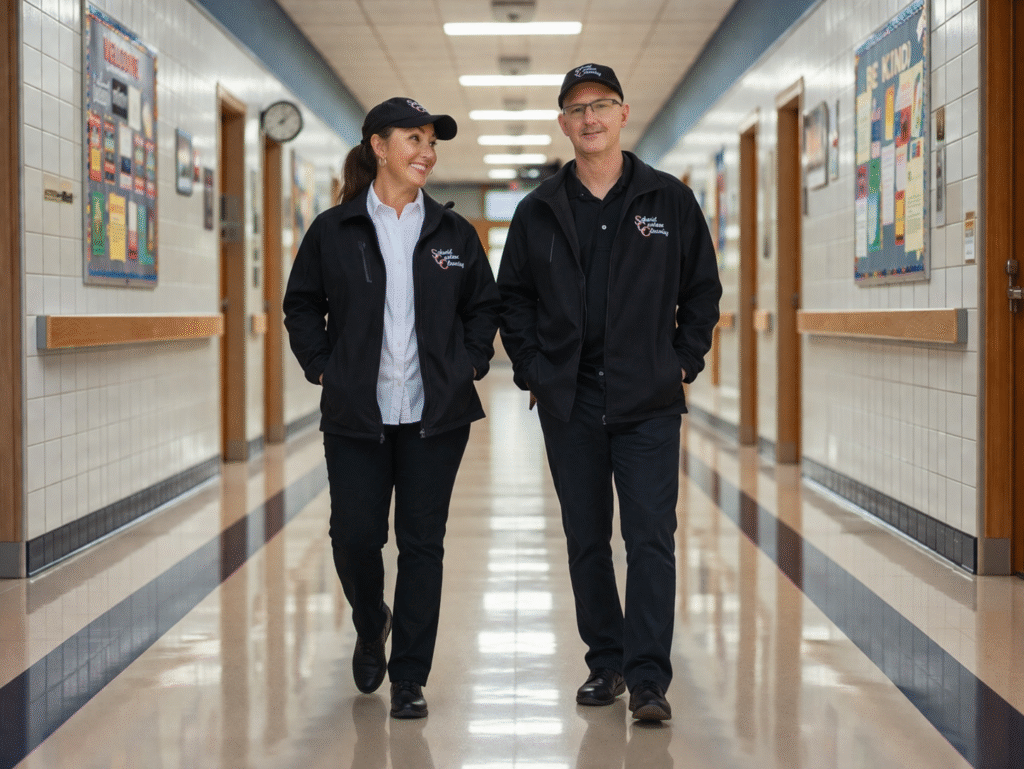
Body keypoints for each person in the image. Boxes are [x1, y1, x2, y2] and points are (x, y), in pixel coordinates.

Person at [496, 64, 722, 721]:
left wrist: (681, 361)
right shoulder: (537, 210)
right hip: (570, 401)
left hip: (648, 399)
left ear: (624, 113)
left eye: (601, 105)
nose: (589, 118)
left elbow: (701, 289)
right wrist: (535, 370)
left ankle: (649, 677)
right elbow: (513, 299)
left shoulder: (668, 201)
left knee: (651, 535)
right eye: (575, 108)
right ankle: (607, 662)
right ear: (563, 123)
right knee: (587, 536)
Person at [283, 97, 501, 719]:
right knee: (354, 536)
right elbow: (301, 304)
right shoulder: (336, 229)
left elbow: (484, 307)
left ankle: (409, 675)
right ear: (378, 146)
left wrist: (468, 363)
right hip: (359, 413)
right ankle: (370, 615)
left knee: (421, 543)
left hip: (437, 415)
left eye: (432, 142)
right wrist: (323, 365)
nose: (426, 153)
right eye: (413, 139)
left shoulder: (453, 232)